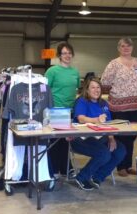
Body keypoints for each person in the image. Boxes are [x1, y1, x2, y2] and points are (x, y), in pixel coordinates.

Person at [101, 37, 137, 177]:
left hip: (136, 106)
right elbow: (105, 83)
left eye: (128, 46)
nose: (126, 48)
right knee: (121, 137)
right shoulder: (113, 64)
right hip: (119, 107)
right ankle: (120, 166)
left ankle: (128, 166)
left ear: (132, 48)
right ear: (118, 48)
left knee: (132, 136)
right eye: (123, 46)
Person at [70, 77, 126, 191]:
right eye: (93, 87)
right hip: (81, 138)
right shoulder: (82, 101)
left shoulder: (103, 103)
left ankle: (97, 177)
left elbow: (108, 123)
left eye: (98, 87)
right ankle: (81, 177)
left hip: (100, 137)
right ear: (87, 90)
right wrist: (95, 120)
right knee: (104, 153)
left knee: (120, 151)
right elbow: (81, 118)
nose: (96, 90)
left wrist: (111, 138)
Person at [45, 42, 80, 179]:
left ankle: (65, 168)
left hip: (70, 110)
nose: (67, 55)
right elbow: (44, 89)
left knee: (67, 140)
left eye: (69, 53)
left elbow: (76, 89)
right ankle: (55, 169)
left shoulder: (75, 72)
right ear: (59, 55)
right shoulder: (52, 71)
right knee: (57, 141)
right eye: (64, 53)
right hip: (57, 110)